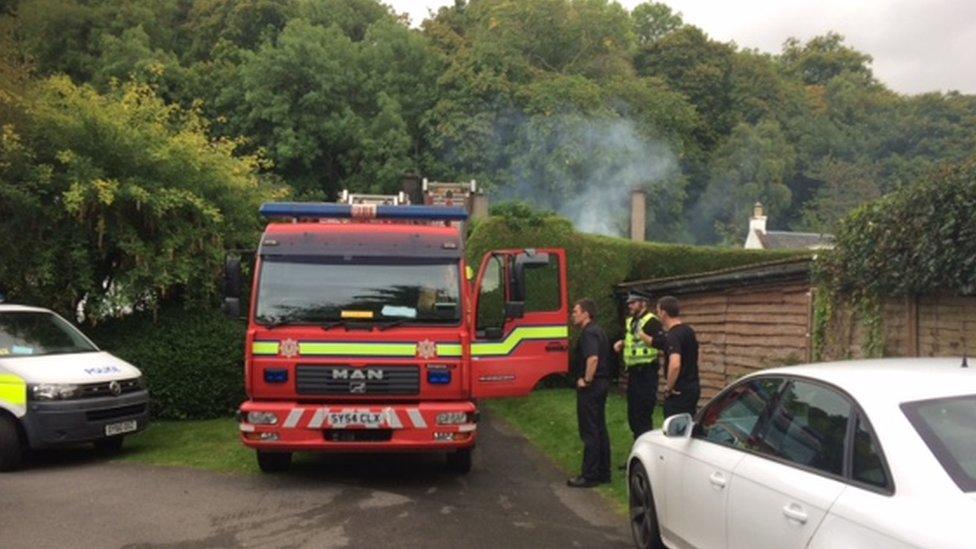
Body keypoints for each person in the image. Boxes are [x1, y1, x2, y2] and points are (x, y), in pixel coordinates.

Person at [613, 292, 665, 459]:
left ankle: (647, 455)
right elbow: (630, 340)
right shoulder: (631, 321)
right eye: (629, 303)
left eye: (633, 303)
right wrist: (621, 343)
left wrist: (643, 335)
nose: (630, 306)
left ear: (643, 303)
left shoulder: (652, 321)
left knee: (643, 415)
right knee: (633, 415)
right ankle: (636, 452)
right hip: (634, 374)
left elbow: (660, 343)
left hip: (647, 373)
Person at [567, 298, 611, 488]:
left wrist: (586, 380)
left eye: (576, 311)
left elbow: (592, 358)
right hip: (602, 385)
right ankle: (603, 472)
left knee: (590, 430)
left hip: (592, 387)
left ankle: (590, 475)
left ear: (586, 313)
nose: (573, 314)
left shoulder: (589, 333)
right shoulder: (598, 331)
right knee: (600, 427)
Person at [657, 295, 701, 418]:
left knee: (675, 428)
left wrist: (669, 387)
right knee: (689, 424)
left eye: (658, 311)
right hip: (693, 386)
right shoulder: (688, 331)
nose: (658, 315)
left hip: (679, 390)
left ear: (664, 313)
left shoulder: (673, 335)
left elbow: (675, 364)